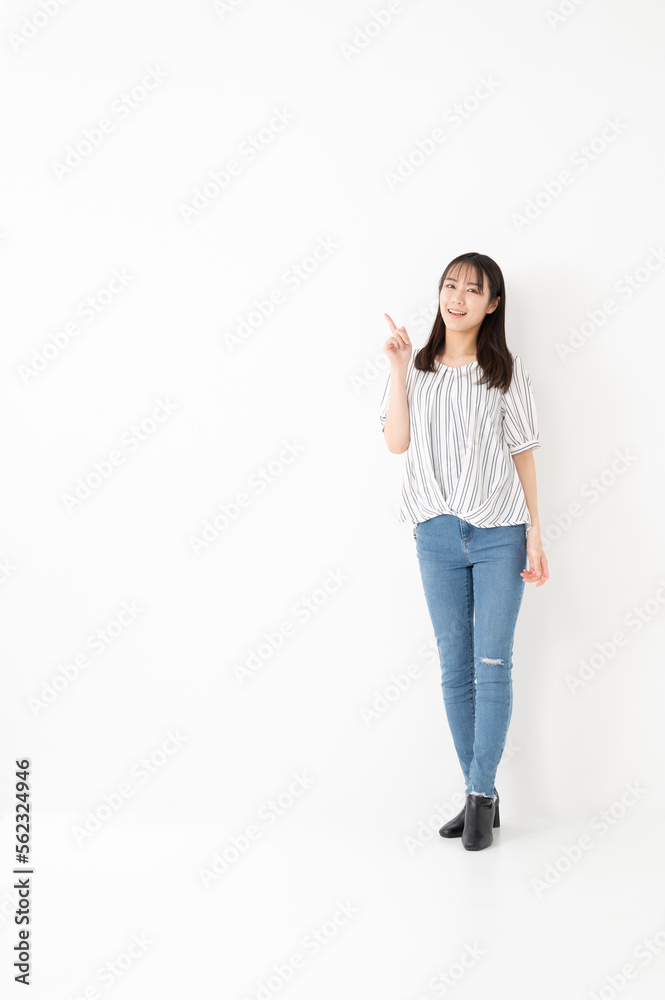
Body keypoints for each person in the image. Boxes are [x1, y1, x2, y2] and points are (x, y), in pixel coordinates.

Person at [379, 252, 549, 851]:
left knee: (492, 663)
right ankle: (481, 794)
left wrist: (536, 532)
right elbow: (396, 443)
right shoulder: (418, 369)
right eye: (450, 286)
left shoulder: (504, 372)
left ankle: (479, 797)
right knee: (455, 668)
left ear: (492, 304)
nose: (457, 298)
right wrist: (397, 368)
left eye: (472, 290)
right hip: (436, 534)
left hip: (500, 532)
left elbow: (523, 450)